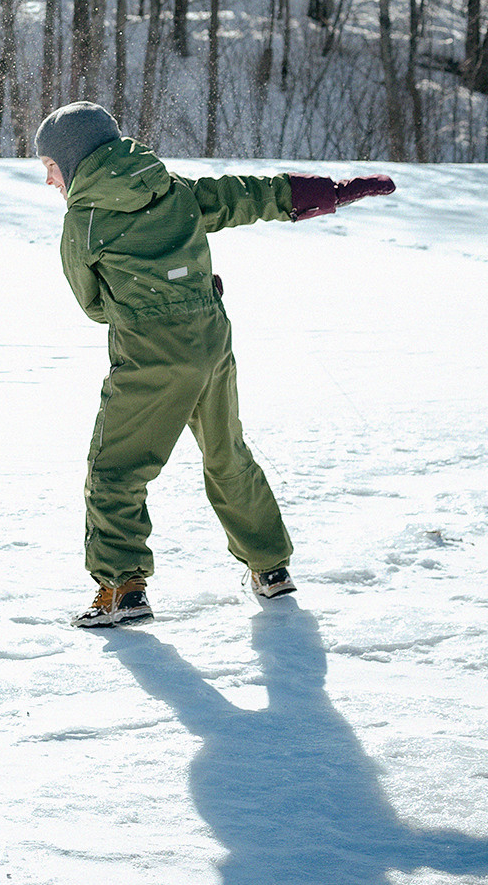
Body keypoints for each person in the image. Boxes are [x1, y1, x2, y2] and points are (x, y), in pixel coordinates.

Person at [34, 101, 393, 628]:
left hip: (150, 358)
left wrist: (151, 301)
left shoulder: (83, 222)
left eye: (50, 167)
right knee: (228, 456)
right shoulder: (173, 190)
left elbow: (92, 305)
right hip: (210, 344)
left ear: (75, 160)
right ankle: (271, 568)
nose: (49, 181)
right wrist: (328, 192)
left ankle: (121, 588)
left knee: (116, 471)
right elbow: (244, 195)